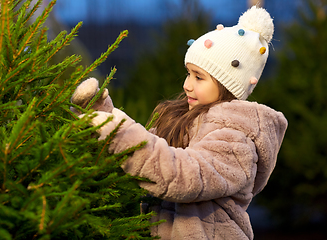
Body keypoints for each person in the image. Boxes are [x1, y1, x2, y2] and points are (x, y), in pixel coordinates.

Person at [71, 6, 288, 240]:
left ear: (228, 84)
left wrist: (118, 132)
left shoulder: (236, 141)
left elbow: (184, 176)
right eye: (188, 73)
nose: (186, 84)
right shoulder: (183, 119)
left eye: (198, 77)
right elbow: (146, 151)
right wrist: (102, 113)